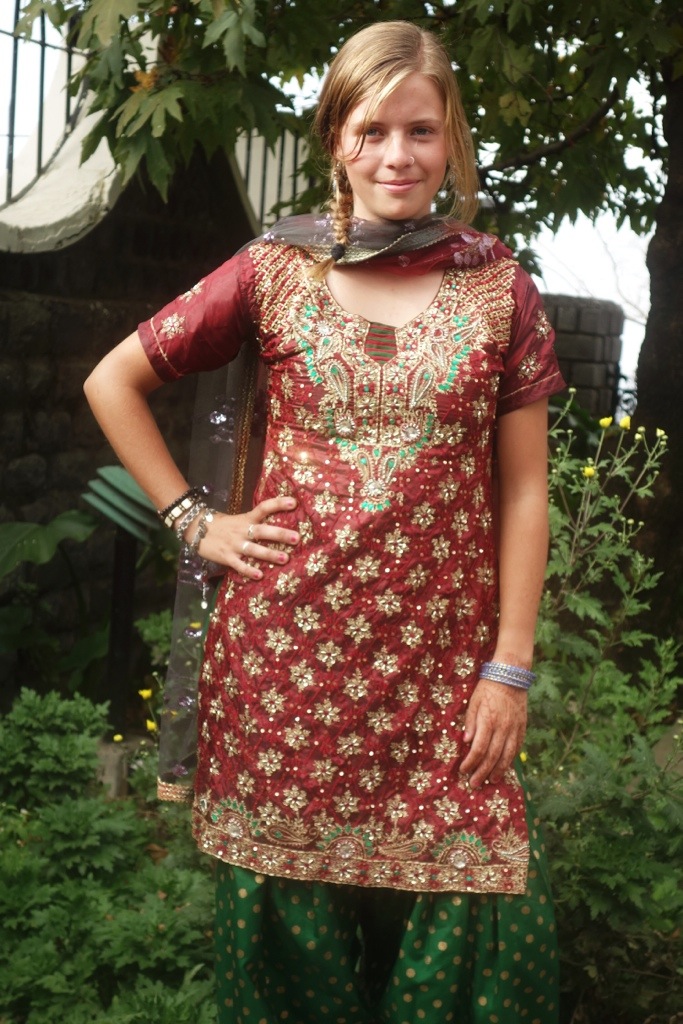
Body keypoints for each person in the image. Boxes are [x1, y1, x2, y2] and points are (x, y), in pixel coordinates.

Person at [84, 19, 565, 1024]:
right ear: (334, 139)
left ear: (451, 138)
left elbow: (525, 490)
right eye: (371, 130)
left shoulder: (498, 290)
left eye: (421, 130)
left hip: (445, 678)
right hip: (285, 672)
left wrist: (509, 665)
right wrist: (195, 520)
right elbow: (112, 379)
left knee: (469, 905)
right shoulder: (273, 271)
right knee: (289, 946)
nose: (398, 155)